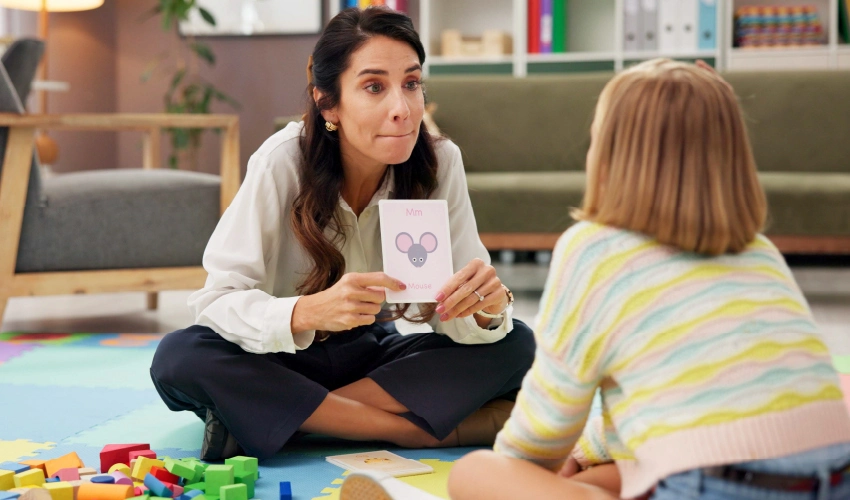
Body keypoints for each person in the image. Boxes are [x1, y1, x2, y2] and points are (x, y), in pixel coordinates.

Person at [447, 59, 850, 500]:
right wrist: (591, 454)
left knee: (475, 474)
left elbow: (543, 428)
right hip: (834, 474)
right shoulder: (760, 251)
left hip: (718, 484)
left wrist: (526, 474)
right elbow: (670, 398)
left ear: (607, 155)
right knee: (623, 468)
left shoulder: (593, 249)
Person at [148, 7, 535, 461]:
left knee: (516, 344)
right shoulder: (282, 162)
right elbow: (216, 302)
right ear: (327, 102)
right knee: (181, 356)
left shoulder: (440, 162)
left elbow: (454, 316)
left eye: (411, 83)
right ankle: (411, 432)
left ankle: (291, 421)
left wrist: (485, 311)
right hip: (281, 357)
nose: (402, 108)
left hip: (369, 357)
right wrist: (307, 312)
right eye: (374, 87)